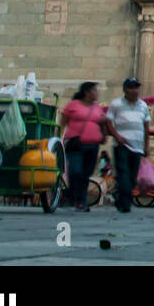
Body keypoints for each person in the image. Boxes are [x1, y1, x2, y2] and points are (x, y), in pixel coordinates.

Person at [104, 77, 150, 214]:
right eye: (132, 88)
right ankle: (126, 204)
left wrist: (146, 146)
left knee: (132, 178)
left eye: (136, 87)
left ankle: (120, 198)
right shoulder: (116, 104)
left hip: (137, 146)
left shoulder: (143, 105)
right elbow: (108, 122)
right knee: (124, 173)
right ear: (125, 90)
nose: (135, 90)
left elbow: (146, 126)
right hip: (121, 145)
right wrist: (117, 137)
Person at [59, 81, 106, 212]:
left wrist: (104, 134)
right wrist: (60, 138)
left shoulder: (97, 108)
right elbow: (63, 122)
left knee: (86, 174)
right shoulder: (73, 105)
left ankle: (81, 201)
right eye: (94, 90)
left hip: (93, 145)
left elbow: (103, 122)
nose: (97, 93)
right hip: (76, 144)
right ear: (87, 92)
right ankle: (73, 196)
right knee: (76, 171)